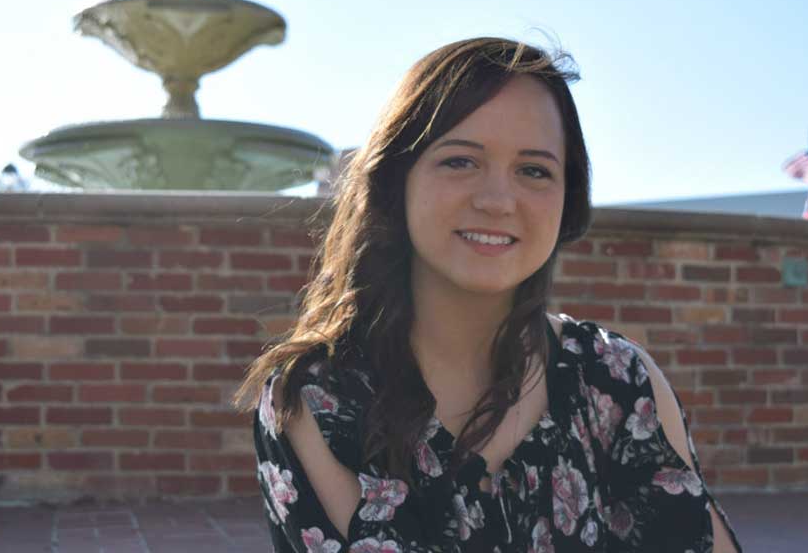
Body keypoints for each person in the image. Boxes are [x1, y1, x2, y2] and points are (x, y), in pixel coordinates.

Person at [232, 37, 743, 552]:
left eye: (534, 170)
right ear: (396, 180)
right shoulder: (318, 398)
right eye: (460, 161)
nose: (498, 200)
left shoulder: (621, 383)